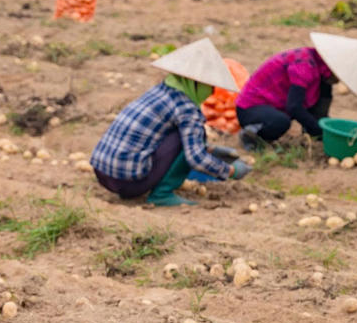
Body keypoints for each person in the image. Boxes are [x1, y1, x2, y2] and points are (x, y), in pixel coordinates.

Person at [89, 38, 252, 207]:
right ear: (195, 82)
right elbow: (195, 158)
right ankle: (162, 193)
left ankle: (150, 187)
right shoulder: (187, 108)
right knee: (192, 136)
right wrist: (231, 171)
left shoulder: (159, 91)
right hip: (128, 183)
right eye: (209, 85)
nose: (211, 91)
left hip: (103, 174)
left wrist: (211, 150)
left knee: (187, 135)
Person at [235, 31, 357, 150]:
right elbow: (294, 107)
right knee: (280, 122)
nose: (338, 80)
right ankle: (253, 133)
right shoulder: (304, 65)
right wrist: (317, 129)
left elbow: (320, 109)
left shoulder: (321, 71)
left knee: (324, 91)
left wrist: (327, 131)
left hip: (276, 107)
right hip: (250, 109)